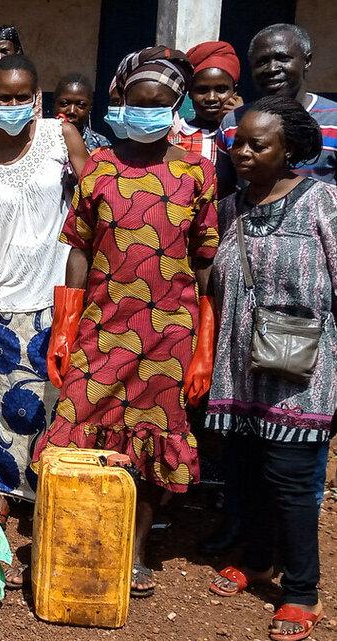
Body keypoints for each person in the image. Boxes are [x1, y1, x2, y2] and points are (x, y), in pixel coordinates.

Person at [33, 47, 218, 599]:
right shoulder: (100, 167)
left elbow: (204, 261)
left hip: (170, 330)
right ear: (121, 103)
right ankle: (74, 534)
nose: (147, 112)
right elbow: (78, 248)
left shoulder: (196, 173)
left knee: (154, 438)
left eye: (158, 105)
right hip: (103, 323)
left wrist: (205, 344)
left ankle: (135, 548)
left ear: (176, 108)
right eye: (138, 103)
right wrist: (66, 325)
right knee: (76, 419)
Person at [0, 55, 88, 546]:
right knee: (3, 406)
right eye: (2, 98)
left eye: (21, 97)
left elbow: (94, 204)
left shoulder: (61, 138)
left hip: (56, 297)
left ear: (36, 98)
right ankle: (5, 493)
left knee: (54, 402)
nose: (11, 105)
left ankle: (49, 493)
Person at [204, 95, 332, 641]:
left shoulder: (322, 201)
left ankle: (302, 591)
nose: (244, 153)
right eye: (239, 143)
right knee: (248, 471)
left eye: (258, 145)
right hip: (240, 368)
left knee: (291, 481)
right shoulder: (230, 208)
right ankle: (258, 560)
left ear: (289, 149)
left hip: (303, 373)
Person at [218, 24, 335, 190]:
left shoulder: (334, 119)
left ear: (307, 61)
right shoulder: (232, 123)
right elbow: (224, 189)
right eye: (262, 61)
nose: (272, 68)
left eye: (283, 58)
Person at [170, 41, 239, 162]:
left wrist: (238, 120)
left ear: (234, 91)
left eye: (221, 89)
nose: (211, 98)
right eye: (202, 90)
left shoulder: (243, 134)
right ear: (190, 92)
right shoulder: (174, 135)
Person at [54, 73, 109, 152]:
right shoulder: (39, 137)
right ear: (55, 104)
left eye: (81, 105)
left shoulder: (101, 145)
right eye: (64, 103)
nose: (72, 111)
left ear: (90, 108)